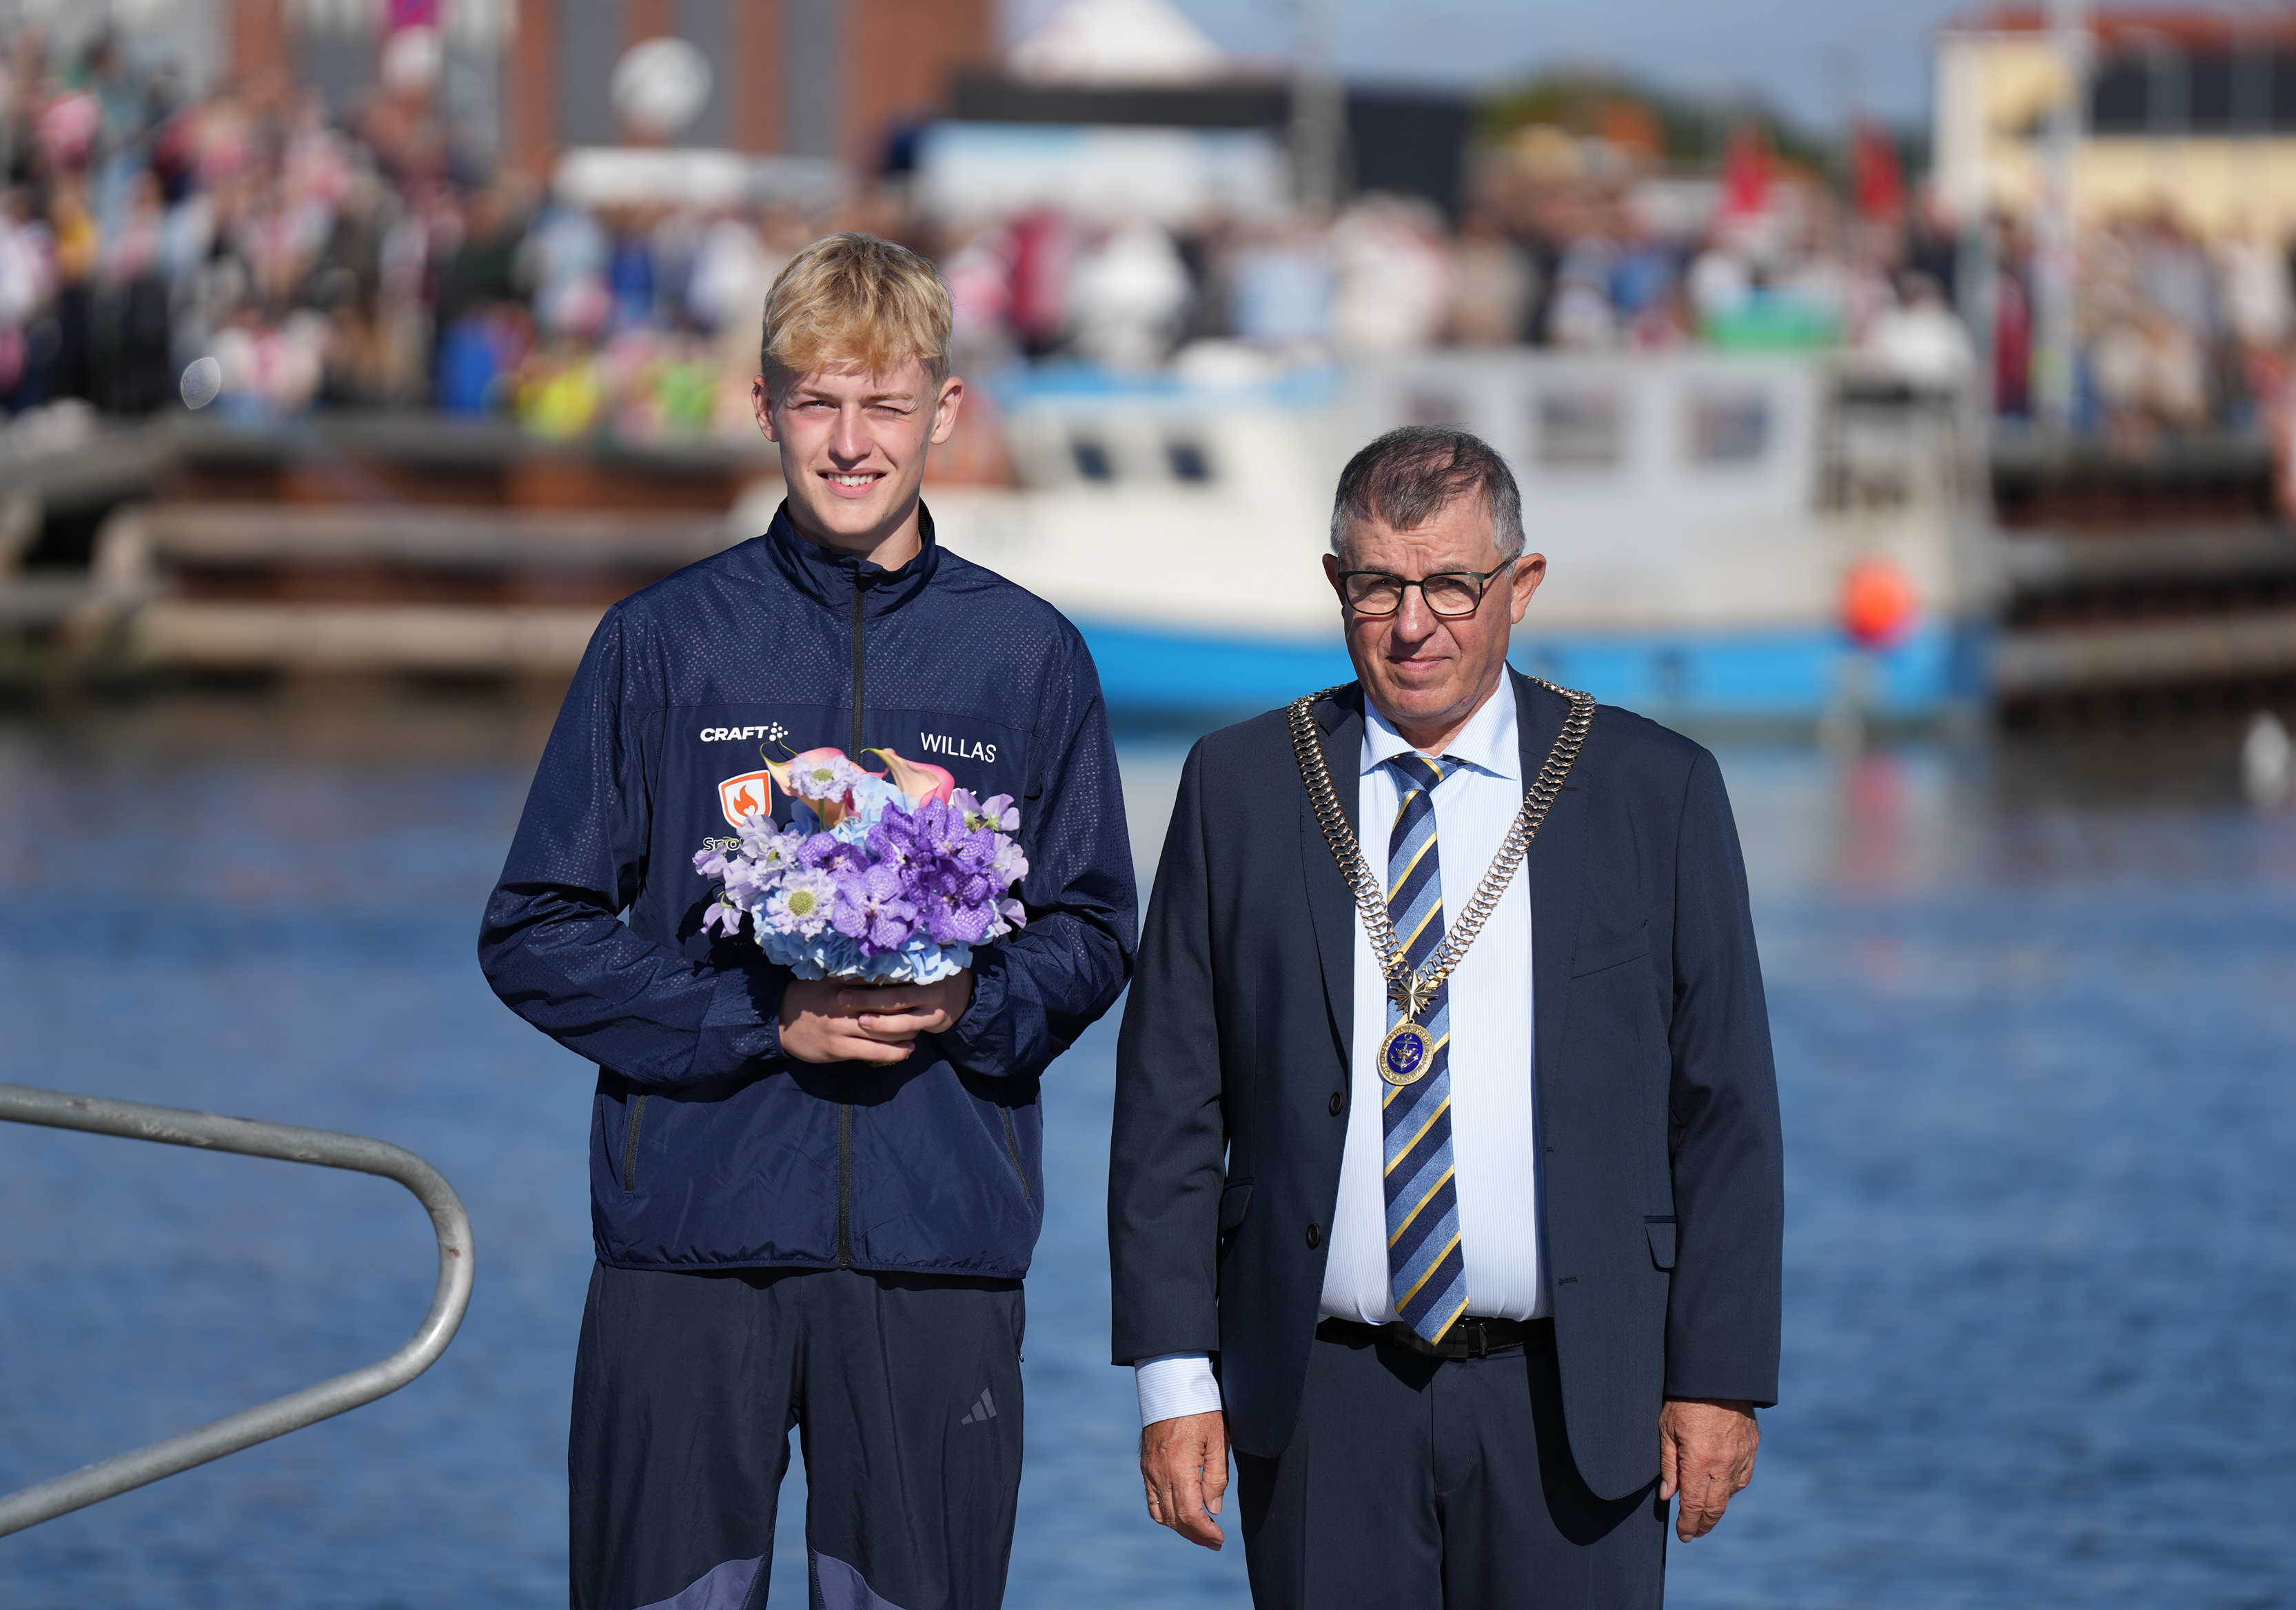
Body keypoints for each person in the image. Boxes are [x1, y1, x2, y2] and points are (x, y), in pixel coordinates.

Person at [478, 232, 1136, 1610]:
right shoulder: (665, 643)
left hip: (936, 1247)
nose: (851, 442)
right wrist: (758, 1018)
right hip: (690, 1241)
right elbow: (534, 928)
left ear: (944, 412)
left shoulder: (1027, 657)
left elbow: (1091, 930)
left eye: (885, 404)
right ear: (764, 407)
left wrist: (970, 1003)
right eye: (818, 402)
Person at [1108, 426, 1782, 1608]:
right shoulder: (1240, 787)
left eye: (1452, 586)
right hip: (1317, 1400)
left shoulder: (1654, 790)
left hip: (1581, 1400)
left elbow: (1724, 1108)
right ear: (1337, 586)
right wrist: (1174, 1379)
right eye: (1378, 586)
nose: (1413, 624)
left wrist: (1718, 1376)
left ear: (1521, 585)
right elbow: (1170, 1105)